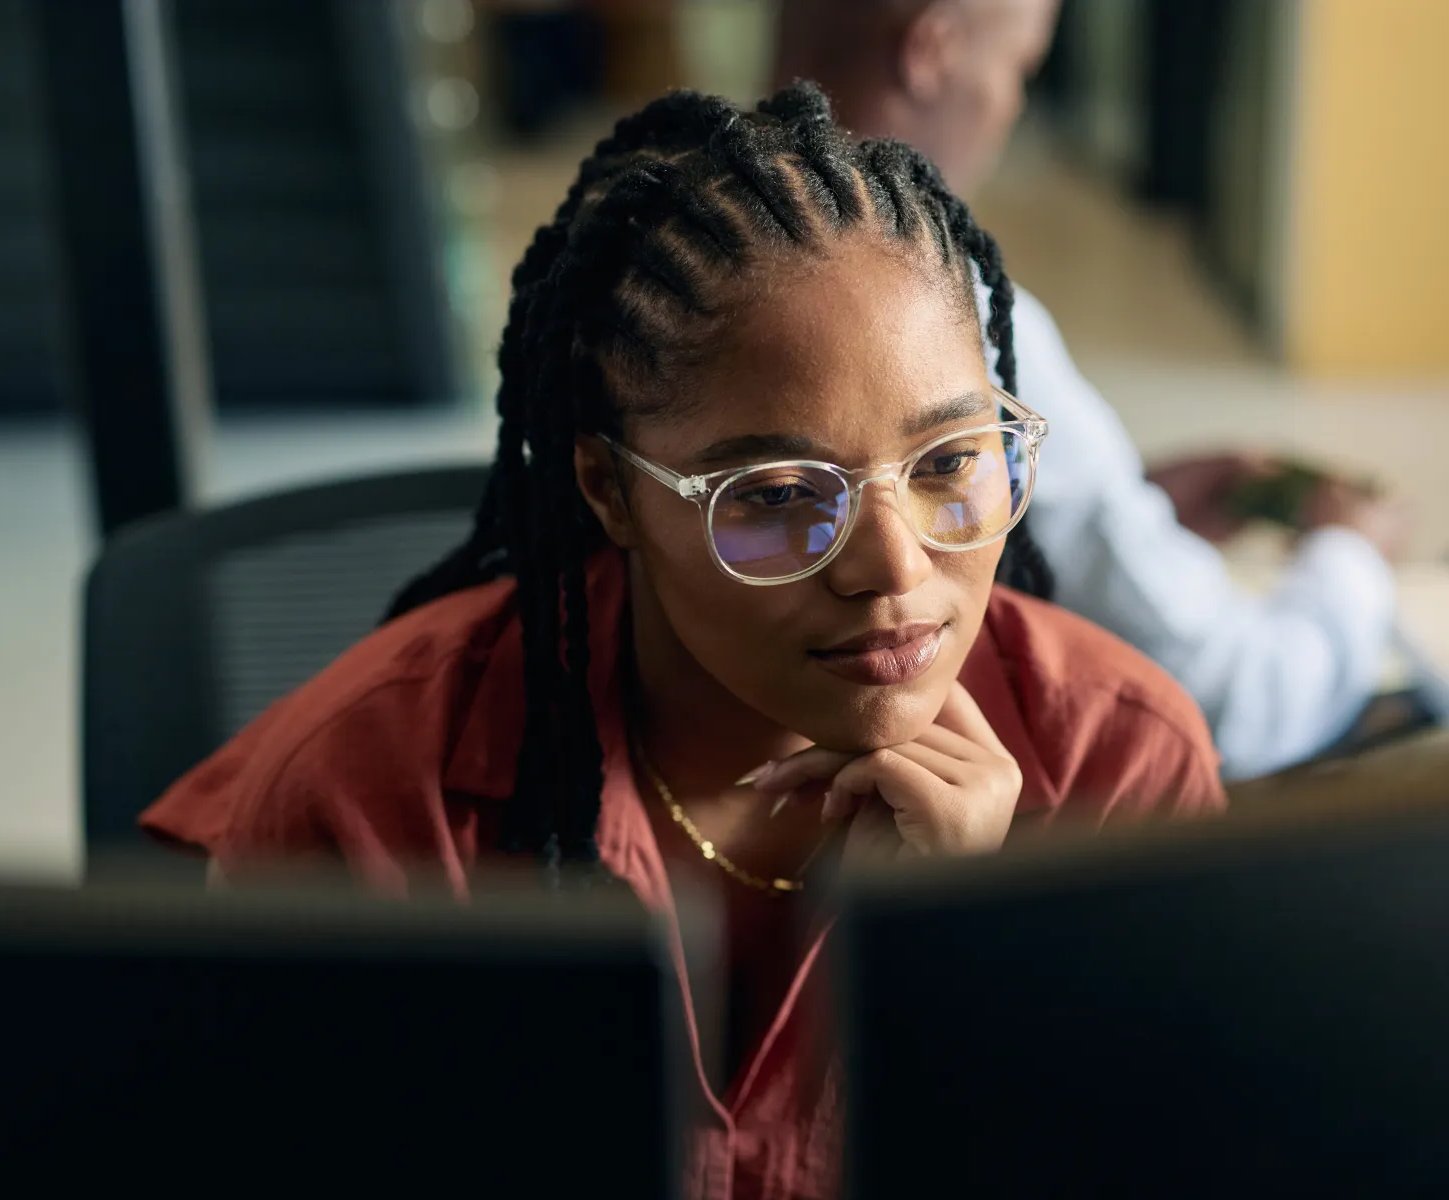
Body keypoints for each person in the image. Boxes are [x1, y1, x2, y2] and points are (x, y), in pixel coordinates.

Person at [142, 85, 1225, 1199]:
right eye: (777, 494)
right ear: (610, 491)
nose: (894, 570)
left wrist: (955, 956)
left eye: (949, 462)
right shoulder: (371, 801)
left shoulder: (1118, 768)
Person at [773, 0, 1411, 779]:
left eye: (949, 465)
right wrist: (1352, 556)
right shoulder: (953, 318)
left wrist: (1123, 502)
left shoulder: (677, 259)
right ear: (932, 50)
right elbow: (1233, 699)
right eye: (1020, 69)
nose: (1010, 107)